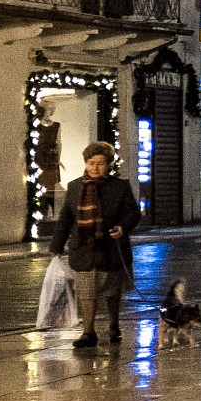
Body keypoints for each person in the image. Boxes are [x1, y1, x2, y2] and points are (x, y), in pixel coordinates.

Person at [48, 141, 138, 349]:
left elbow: (132, 212)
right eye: (91, 163)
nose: (95, 168)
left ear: (109, 164)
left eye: (100, 163)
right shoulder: (74, 187)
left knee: (111, 290)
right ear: (85, 163)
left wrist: (122, 228)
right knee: (86, 291)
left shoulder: (120, 187)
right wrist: (56, 245)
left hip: (111, 247)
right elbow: (65, 219)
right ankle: (88, 332)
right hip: (84, 248)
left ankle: (114, 325)